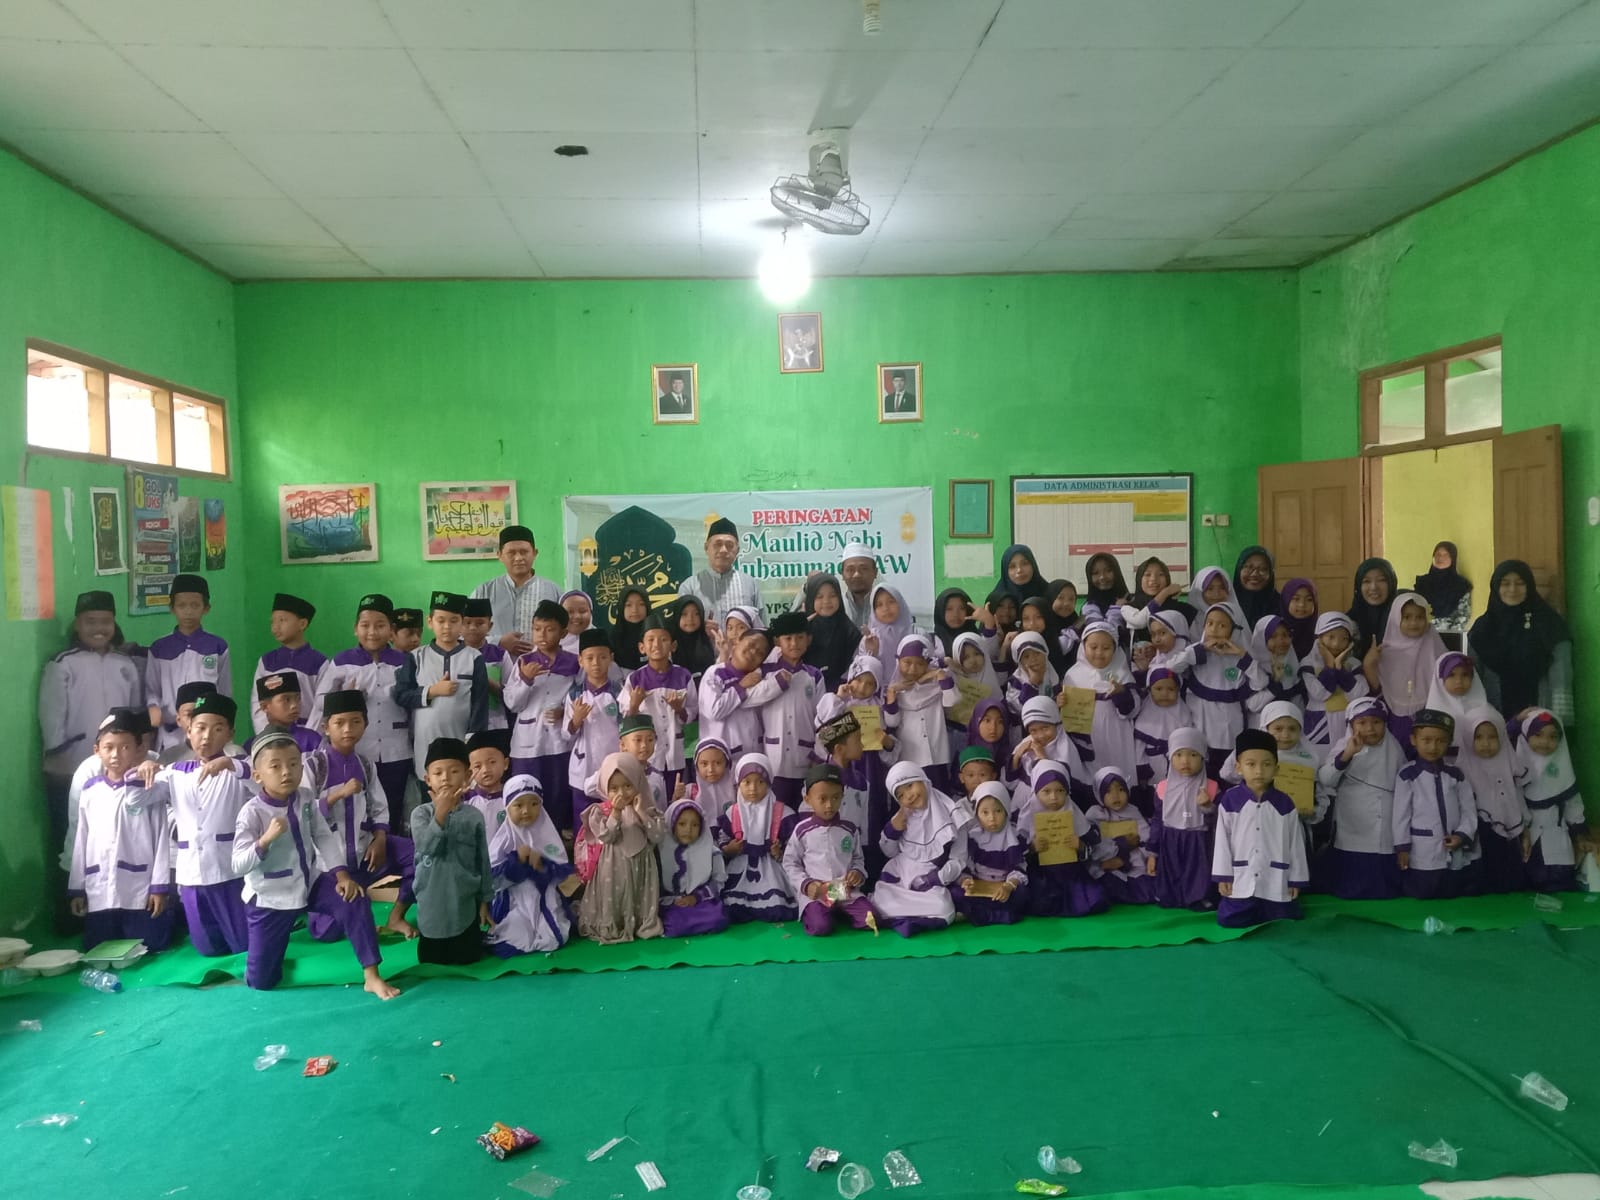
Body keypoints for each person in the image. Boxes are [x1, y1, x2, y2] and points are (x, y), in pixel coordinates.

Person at [233, 730, 398, 998]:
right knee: (261, 981)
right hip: (270, 897)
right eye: (275, 766)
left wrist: (342, 876)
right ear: (258, 775)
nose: (286, 772)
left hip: (309, 882)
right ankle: (269, 955)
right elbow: (238, 865)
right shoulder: (251, 813)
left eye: (293, 764)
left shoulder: (306, 797)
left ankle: (372, 976)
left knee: (354, 899)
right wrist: (264, 841)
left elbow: (322, 835)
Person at [40, 590, 143, 922]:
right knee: (71, 841)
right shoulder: (63, 664)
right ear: (77, 624)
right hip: (70, 767)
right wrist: (61, 757)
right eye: (90, 621)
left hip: (118, 768)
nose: (98, 628)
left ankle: (111, 912)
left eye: (105, 622)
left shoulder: (124, 664)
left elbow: (134, 714)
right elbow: (51, 718)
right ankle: (70, 913)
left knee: (115, 839)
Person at [307, 689, 416, 938]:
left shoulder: (365, 765)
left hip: (365, 854)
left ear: (365, 725)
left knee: (420, 856)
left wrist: (380, 839)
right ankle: (354, 905)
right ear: (326, 727)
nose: (348, 729)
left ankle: (396, 917)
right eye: (339, 723)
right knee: (325, 932)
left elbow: (379, 807)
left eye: (355, 721)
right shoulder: (314, 766)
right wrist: (338, 794)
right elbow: (305, 812)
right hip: (330, 865)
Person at [153, 691, 251, 956]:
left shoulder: (240, 767)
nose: (207, 736)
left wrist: (230, 764)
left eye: (217, 729)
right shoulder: (175, 772)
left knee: (242, 944)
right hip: (190, 873)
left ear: (230, 734)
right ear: (188, 731)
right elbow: (139, 798)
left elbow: (261, 781)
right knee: (207, 948)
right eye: (200, 728)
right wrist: (141, 771)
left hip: (229, 871)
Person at [69, 710, 174, 952]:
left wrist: (158, 887)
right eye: (109, 747)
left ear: (139, 750)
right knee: (98, 947)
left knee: (150, 945)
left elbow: (161, 840)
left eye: (125, 747)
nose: (116, 754)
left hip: (139, 886)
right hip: (100, 885)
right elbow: (81, 840)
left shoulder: (149, 789)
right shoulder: (90, 790)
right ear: (97, 750)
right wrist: (77, 888)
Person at [310, 594, 413, 828]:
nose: (372, 632)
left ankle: (388, 846)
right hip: (358, 748)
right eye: (365, 625)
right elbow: (321, 702)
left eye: (380, 625)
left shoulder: (404, 662)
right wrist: (346, 697)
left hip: (396, 750)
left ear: (391, 630)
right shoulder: (342, 661)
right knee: (359, 806)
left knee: (393, 806)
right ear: (355, 629)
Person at [408, 736, 494, 965]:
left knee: (468, 959)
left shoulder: (473, 816)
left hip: (464, 903)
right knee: (431, 964)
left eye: (454, 771)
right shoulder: (420, 814)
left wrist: (485, 900)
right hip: (431, 901)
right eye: (438, 773)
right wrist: (440, 814)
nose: (445, 778)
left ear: (467, 776)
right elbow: (426, 848)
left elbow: (483, 861)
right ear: (427, 779)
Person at [1212, 729, 1308, 927]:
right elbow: (1221, 842)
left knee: (1285, 919)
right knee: (1229, 920)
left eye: (1266, 764)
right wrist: (1224, 876)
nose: (1259, 771)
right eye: (1251, 764)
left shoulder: (1285, 803)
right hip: (1241, 878)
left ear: (1276, 768)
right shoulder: (1230, 800)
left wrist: (1295, 880)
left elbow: (1296, 844)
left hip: (1276, 879)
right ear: (1238, 767)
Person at [502, 599, 581, 830]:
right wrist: (525, 680)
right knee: (526, 793)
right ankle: (527, 842)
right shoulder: (524, 661)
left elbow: (579, 697)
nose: (542, 635)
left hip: (560, 742)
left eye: (550, 629)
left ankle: (556, 842)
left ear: (563, 632)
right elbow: (512, 703)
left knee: (558, 795)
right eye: (537, 629)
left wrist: (565, 711)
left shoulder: (573, 663)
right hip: (528, 745)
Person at [393, 590, 488, 780]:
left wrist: (473, 739)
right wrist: (431, 691)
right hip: (425, 742)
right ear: (430, 622)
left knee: (460, 785)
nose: (447, 627)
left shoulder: (473, 658)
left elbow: (480, 703)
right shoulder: (416, 657)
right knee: (429, 786)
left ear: (462, 623)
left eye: (453, 621)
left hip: (461, 739)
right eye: (441, 620)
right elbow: (401, 695)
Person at [1317, 697, 1403, 900]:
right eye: (1362, 723)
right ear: (1351, 725)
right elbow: (1326, 779)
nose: (1370, 729)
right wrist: (1347, 754)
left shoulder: (1394, 748)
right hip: (1354, 819)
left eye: (1376, 722)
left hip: (1386, 818)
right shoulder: (1344, 746)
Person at [1468, 560, 1573, 724]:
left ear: (1529, 586)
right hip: (1494, 722)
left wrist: (1559, 721)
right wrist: (1477, 720)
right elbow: (1473, 678)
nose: (1512, 589)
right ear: (1495, 587)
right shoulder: (1483, 629)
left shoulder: (1550, 623)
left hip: (1541, 723)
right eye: (1505, 583)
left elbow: (1562, 674)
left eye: (1520, 583)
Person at [578, 753, 667, 942]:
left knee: (639, 895)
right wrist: (616, 813)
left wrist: (641, 812)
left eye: (628, 785)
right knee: (616, 895)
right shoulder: (600, 812)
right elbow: (607, 836)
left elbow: (657, 836)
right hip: (613, 866)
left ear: (637, 782)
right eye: (614, 788)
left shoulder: (648, 809)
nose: (622, 793)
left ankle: (641, 923)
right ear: (604, 788)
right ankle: (615, 925)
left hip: (642, 866)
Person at [1393, 710, 1478, 900]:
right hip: (1422, 850)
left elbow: (1468, 810)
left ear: (1449, 742)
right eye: (1427, 740)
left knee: (1452, 895)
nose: (1433, 747)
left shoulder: (1456, 774)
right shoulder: (1407, 775)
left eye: (1441, 741)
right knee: (1422, 894)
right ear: (1413, 740)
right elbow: (1401, 815)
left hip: (1453, 849)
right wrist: (1402, 848)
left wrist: (1462, 835)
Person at [487, 774, 575, 956]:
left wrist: (541, 863)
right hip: (514, 900)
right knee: (514, 938)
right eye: (518, 805)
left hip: (544, 897)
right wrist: (517, 860)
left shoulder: (547, 833)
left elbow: (560, 872)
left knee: (553, 938)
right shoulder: (503, 840)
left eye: (534, 804)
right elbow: (493, 880)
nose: (527, 811)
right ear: (507, 807)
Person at [873, 762, 964, 935]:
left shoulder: (953, 813)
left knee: (944, 908)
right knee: (880, 901)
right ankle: (913, 919)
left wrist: (934, 879)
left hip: (931, 876)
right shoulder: (902, 816)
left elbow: (959, 859)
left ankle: (903, 919)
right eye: (900, 795)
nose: (909, 796)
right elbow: (889, 852)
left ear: (924, 780)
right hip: (900, 873)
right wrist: (893, 829)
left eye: (910, 785)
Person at [784, 763, 873, 936]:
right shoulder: (802, 830)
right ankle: (825, 913)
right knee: (820, 927)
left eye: (835, 797)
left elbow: (857, 858)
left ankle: (839, 910)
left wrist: (857, 872)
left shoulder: (849, 829)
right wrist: (806, 884)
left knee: (870, 919)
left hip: (844, 890)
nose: (829, 805)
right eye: (822, 799)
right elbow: (790, 863)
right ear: (808, 799)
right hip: (817, 892)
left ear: (842, 796)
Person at [146, 573, 231, 752]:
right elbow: (151, 689)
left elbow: (224, 691)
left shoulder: (217, 646)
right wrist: (153, 706)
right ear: (172, 608)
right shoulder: (159, 648)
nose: (188, 612)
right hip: (170, 735)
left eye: (195, 605)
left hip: (207, 734)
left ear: (206, 608)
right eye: (182, 605)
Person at [1510, 708, 1588, 893]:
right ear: (1525, 736)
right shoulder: (1514, 767)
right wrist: (1516, 721)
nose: (1545, 742)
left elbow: (1573, 807)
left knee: (1560, 890)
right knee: (1524, 892)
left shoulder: (1563, 771)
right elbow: (1500, 735)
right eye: (1538, 735)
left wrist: (1581, 836)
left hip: (1556, 841)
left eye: (1553, 737)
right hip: (1525, 838)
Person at [1016, 758, 1105, 918]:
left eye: (1060, 791)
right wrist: (1032, 849)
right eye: (1046, 791)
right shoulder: (1027, 816)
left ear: (1067, 791)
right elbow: (1018, 857)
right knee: (1039, 901)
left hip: (1071, 872)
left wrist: (1080, 846)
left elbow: (1090, 850)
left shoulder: (1074, 813)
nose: (1054, 797)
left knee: (1095, 898)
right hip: (1042, 874)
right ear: (1036, 792)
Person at [715, 753, 797, 923]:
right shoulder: (733, 812)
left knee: (776, 907)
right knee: (732, 906)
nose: (753, 788)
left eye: (760, 782)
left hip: (770, 867)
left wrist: (779, 852)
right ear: (738, 784)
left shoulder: (781, 812)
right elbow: (723, 837)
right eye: (747, 782)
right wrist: (728, 849)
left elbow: (794, 844)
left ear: (769, 783)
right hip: (741, 865)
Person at [624, 612, 698, 798]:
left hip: (676, 752)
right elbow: (626, 721)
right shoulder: (634, 679)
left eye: (663, 639)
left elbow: (692, 714)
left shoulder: (684, 676)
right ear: (642, 647)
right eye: (650, 640)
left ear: (673, 645)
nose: (656, 644)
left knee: (677, 797)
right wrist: (634, 705)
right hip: (647, 755)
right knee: (650, 798)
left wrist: (679, 709)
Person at [754, 611, 824, 805]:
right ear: (777, 641)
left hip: (805, 759)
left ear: (808, 639)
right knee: (777, 813)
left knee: (804, 809)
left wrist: (818, 755)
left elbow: (822, 720)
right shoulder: (764, 674)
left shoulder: (814, 676)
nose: (794, 643)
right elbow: (753, 708)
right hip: (773, 761)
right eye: (788, 638)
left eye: (800, 637)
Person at [1458, 707, 1528, 894]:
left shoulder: (1507, 762)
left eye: (1492, 737)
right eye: (1478, 737)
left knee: (1511, 878)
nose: (1486, 744)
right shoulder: (1462, 769)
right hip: (1479, 832)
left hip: (1509, 830)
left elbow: (1517, 795)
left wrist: (1524, 826)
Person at [1148, 728, 1217, 910]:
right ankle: (1170, 896)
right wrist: (1152, 853)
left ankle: (1198, 897)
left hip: (1198, 839)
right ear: (1170, 757)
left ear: (1203, 757)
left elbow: (1219, 822)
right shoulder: (1163, 788)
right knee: (1172, 868)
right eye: (1178, 755)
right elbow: (1157, 820)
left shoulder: (1211, 787)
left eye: (1193, 754)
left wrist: (1208, 807)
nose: (1185, 761)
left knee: (1197, 869)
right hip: (1170, 838)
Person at [1061, 621, 1139, 779]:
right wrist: (1060, 703)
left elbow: (1133, 711)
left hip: (1115, 736)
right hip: (1086, 738)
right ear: (1083, 647)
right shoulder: (1073, 676)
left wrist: (1121, 693)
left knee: (1117, 777)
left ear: (1115, 648)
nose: (1099, 653)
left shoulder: (1122, 674)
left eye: (1106, 648)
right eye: (1093, 647)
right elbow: (1067, 716)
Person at [565, 629, 625, 829]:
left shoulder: (619, 692)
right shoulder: (575, 694)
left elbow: (626, 729)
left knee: (612, 818)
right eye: (589, 658)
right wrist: (576, 720)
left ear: (611, 659)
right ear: (580, 661)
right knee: (583, 823)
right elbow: (566, 735)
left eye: (602, 657)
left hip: (612, 765)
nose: (596, 663)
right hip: (583, 768)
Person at [883, 634, 958, 792]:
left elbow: (952, 700)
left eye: (920, 664)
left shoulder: (936, 686)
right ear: (898, 661)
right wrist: (891, 694)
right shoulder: (894, 689)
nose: (912, 669)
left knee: (938, 795)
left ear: (927, 664)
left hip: (936, 756)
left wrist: (938, 675)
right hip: (910, 755)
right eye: (907, 662)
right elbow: (892, 722)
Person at [473, 525, 562, 655]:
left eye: (524, 552)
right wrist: (498, 642)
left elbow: (570, 632)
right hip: (494, 665)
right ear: (499, 555)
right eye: (511, 553)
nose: (518, 558)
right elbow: (464, 632)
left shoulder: (553, 592)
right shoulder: (484, 592)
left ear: (535, 553)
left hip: (542, 665)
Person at [1373, 592, 1448, 746]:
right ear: (1396, 619)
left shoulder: (1435, 647)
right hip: (1394, 720)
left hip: (1431, 718)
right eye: (1407, 617)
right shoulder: (1385, 652)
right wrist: (1369, 664)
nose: (1414, 623)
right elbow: (1376, 687)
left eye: (1420, 617)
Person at [652, 796, 729, 937]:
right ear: (671, 824)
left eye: (695, 825)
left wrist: (695, 897)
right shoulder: (660, 851)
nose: (688, 829)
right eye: (682, 824)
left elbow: (718, 881)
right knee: (673, 922)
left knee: (718, 918)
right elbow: (655, 884)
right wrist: (674, 900)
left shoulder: (711, 851)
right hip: (671, 903)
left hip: (700, 902)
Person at [250, 593, 327, 733]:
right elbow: (258, 702)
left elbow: (321, 705)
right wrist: (267, 733)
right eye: (272, 622)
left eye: (282, 620)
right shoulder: (267, 661)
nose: (275, 627)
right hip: (274, 734)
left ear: (302, 624)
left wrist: (310, 736)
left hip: (308, 733)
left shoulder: (319, 662)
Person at [956, 782, 1028, 925]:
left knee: (1022, 893)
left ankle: (989, 915)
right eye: (985, 812)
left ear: (1006, 810)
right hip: (979, 888)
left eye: (998, 811)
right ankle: (999, 915)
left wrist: (1008, 886)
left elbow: (1019, 868)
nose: (992, 818)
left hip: (1004, 887)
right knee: (956, 894)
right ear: (977, 814)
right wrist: (966, 881)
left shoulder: (1015, 836)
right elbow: (965, 866)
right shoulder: (973, 836)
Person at [1299, 612, 1369, 747]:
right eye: (1331, 637)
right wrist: (1330, 667)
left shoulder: (1353, 664)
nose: (1336, 644)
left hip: (1347, 720)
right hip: (1320, 725)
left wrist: (1340, 669)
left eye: (1344, 639)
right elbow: (1320, 694)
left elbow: (1359, 694)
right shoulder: (1308, 663)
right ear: (1319, 637)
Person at [1086, 768, 1154, 904]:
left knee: (1147, 888)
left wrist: (1149, 856)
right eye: (1108, 791)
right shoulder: (1094, 815)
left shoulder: (1133, 811)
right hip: (1106, 862)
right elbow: (1094, 845)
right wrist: (1119, 848)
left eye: (1121, 789)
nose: (1116, 796)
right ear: (1099, 794)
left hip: (1134, 862)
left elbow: (1146, 836)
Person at [679, 517, 762, 624]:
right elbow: (682, 628)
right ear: (706, 548)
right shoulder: (690, 586)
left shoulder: (750, 584)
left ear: (737, 551)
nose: (723, 550)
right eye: (718, 544)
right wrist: (702, 629)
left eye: (729, 545)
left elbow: (761, 627)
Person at [802, 575, 861, 690]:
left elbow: (856, 667)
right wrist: (798, 629)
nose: (826, 601)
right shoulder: (802, 630)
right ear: (811, 599)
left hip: (841, 691)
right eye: (819, 597)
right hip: (805, 691)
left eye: (833, 595)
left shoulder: (849, 631)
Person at [1424, 653, 1487, 760]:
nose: (1459, 681)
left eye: (1465, 675)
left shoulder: (1485, 710)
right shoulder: (1432, 716)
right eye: (1451, 675)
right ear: (1440, 679)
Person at [1244, 615, 1305, 724]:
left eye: (1285, 635)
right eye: (1273, 636)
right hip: (1261, 725)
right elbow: (1252, 705)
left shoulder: (1292, 663)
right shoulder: (1253, 668)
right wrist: (1273, 689)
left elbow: (1297, 699)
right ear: (1261, 639)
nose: (1281, 640)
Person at [462, 598, 508, 731]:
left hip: (493, 724)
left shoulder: (500, 655)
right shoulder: (452, 655)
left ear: (490, 626)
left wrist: (486, 682)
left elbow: (511, 694)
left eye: (480, 623)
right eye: (467, 622)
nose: (472, 627)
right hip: (460, 722)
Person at [247, 673, 322, 755]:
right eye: (287, 700)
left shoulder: (311, 739)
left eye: (298, 698)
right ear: (264, 706)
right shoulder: (254, 744)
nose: (294, 705)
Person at [1413, 541, 1472, 643]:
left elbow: (1463, 615)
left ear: (1453, 559)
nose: (1441, 558)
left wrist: (1447, 634)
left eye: (1445, 555)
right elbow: (1415, 609)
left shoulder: (1461, 585)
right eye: (1438, 554)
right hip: (1422, 635)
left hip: (1450, 637)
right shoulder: (1422, 583)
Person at [463, 728, 514, 837]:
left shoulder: (513, 798)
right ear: (469, 771)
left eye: (492, 762)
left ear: (505, 763)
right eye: (477, 766)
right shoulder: (464, 800)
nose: (486, 770)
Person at [1346, 557, 1398, 662]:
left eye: (1381, 580)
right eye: (1366, 581)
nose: (1373, 587)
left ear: (1391, 583)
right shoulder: (1348, 624)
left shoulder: (1404, 619)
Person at [687, 736, 737, 822]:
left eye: (718, 763)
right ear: (696, 766)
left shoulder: (736, 790)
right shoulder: (689, 791)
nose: (711, 769)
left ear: (727, 764)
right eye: (704, 764)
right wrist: (677, 797)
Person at [668, 596, 718, 679]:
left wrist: (714, 638)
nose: (690, 619)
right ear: (677, 616)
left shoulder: (709, 639)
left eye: (696, 614)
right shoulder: (670, 643)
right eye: (684, 614)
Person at [1231, 546, 1280, 630]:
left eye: (1263, 569)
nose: (1255, 574)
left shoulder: (1280, 605)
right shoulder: (1228, 603)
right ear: (1239, 570)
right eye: (1249, 567)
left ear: (1271, 574)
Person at [834, 542, 880, 627]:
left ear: (875, 572)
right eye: (850, 570)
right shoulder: (835, 606)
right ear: (842, 575)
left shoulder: (887, 605)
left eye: (864, 569)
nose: (857, 575)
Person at [608, 586, 651, 671]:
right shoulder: (612, 639)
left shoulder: (656, 635)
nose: (634, 610)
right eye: (628, 605)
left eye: (641, 604)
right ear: (621, 608)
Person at [1278, 578, 1320, 659]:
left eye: (1309, 600)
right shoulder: (1274, 632)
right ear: (1286, 600)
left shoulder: (1321, 633)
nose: (1302, 604)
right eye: (1296, 599)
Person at [558, 589, 596, 656]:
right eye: (570, 612)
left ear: (591, 613)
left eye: (582, 611)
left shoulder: (601, 641)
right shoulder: (549, 643)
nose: (577, 616)